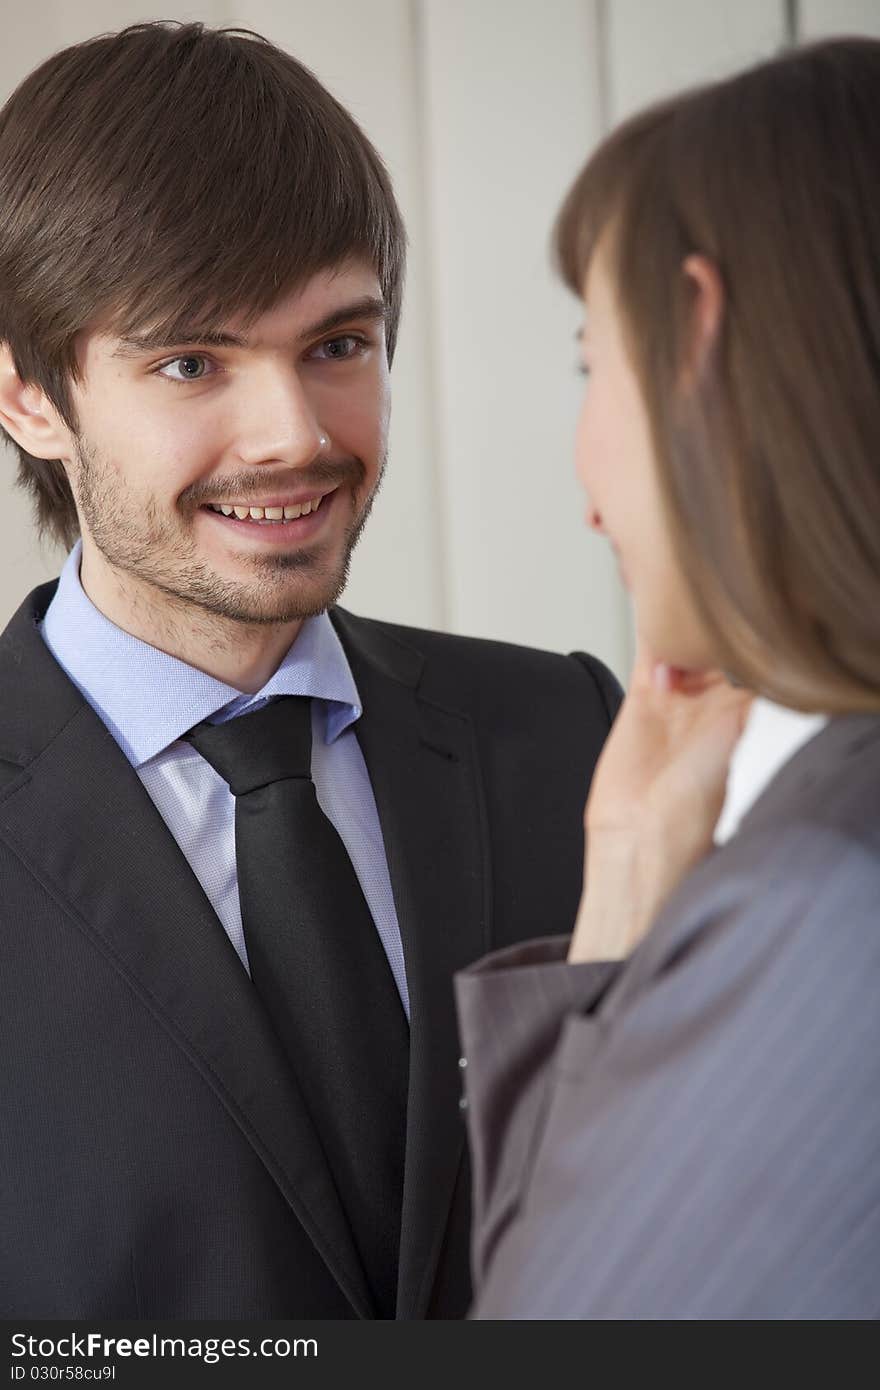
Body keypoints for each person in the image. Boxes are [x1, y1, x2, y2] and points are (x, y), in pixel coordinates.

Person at [0, 22, 621, 1319]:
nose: (294, 435)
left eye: (338, 344)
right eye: (191, 362)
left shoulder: (575, 735)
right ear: (29, 397)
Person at [455, 37, 880, 1319]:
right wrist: (631, 883)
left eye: (595, 365)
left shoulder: (830, 909)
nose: (585, 489)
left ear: (696, 333)